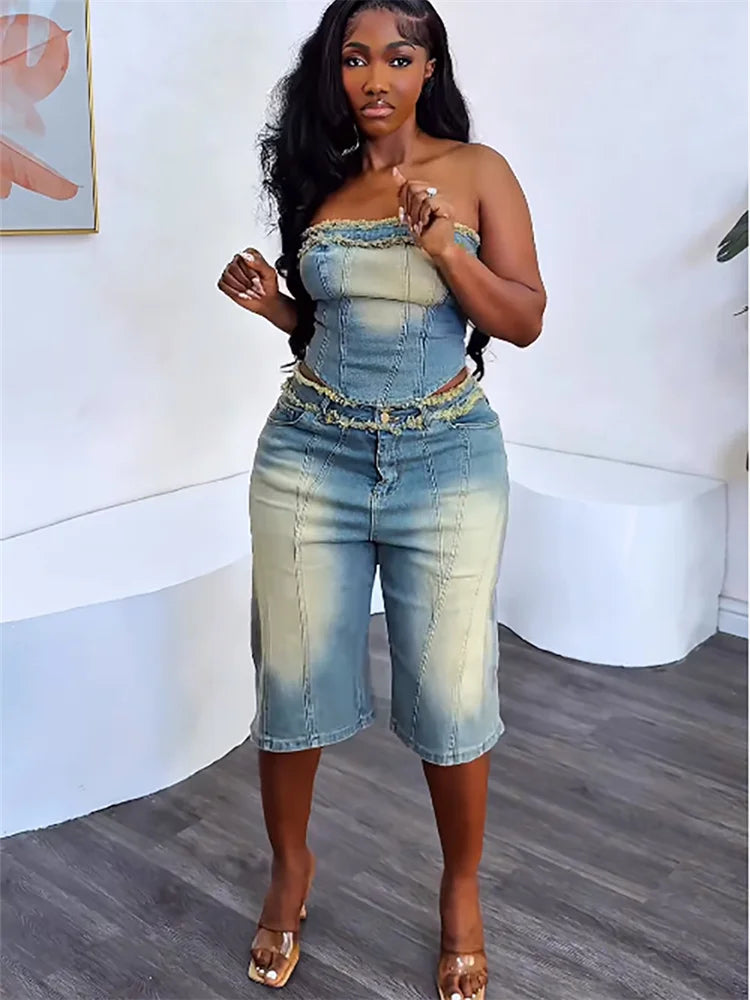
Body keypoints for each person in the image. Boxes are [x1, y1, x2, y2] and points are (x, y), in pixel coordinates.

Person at [217, 2, 545, 997]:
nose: (375, 77)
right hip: (309, 454)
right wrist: (274, 303)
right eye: (355, 58)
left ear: (429, 66)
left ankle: (460, 888)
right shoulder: (321, 181)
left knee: (452, 689)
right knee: (291, 679)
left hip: (446, 457)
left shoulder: (479, 172)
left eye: (398, 57)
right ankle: (290, 871)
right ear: (335, 71)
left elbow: (524, 319)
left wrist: (448, 249)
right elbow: (327, 326)